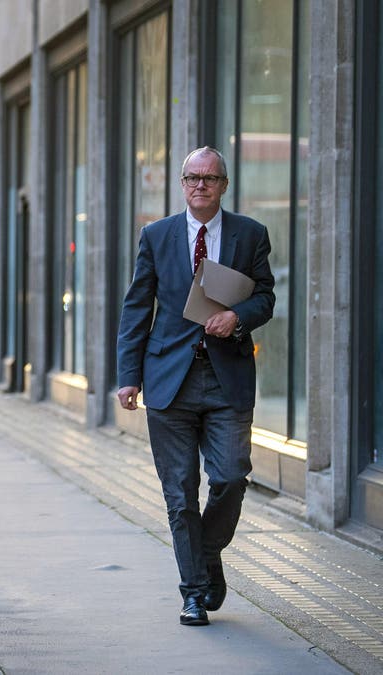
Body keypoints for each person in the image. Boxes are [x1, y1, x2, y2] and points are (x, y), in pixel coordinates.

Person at [116, 146, 275, 626]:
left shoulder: (250, 234)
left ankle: (205, 557)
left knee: (230, 478)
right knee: (180, 493)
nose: (200, 185)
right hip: (169, 381)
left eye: (210, 177)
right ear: (182, 184)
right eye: (192, 177)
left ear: (224, 185)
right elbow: (137, 308)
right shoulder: (157, 235)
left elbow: (266, 296)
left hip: (226, 379)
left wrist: (237, 317)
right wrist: (128, 377)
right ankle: (194, 590)